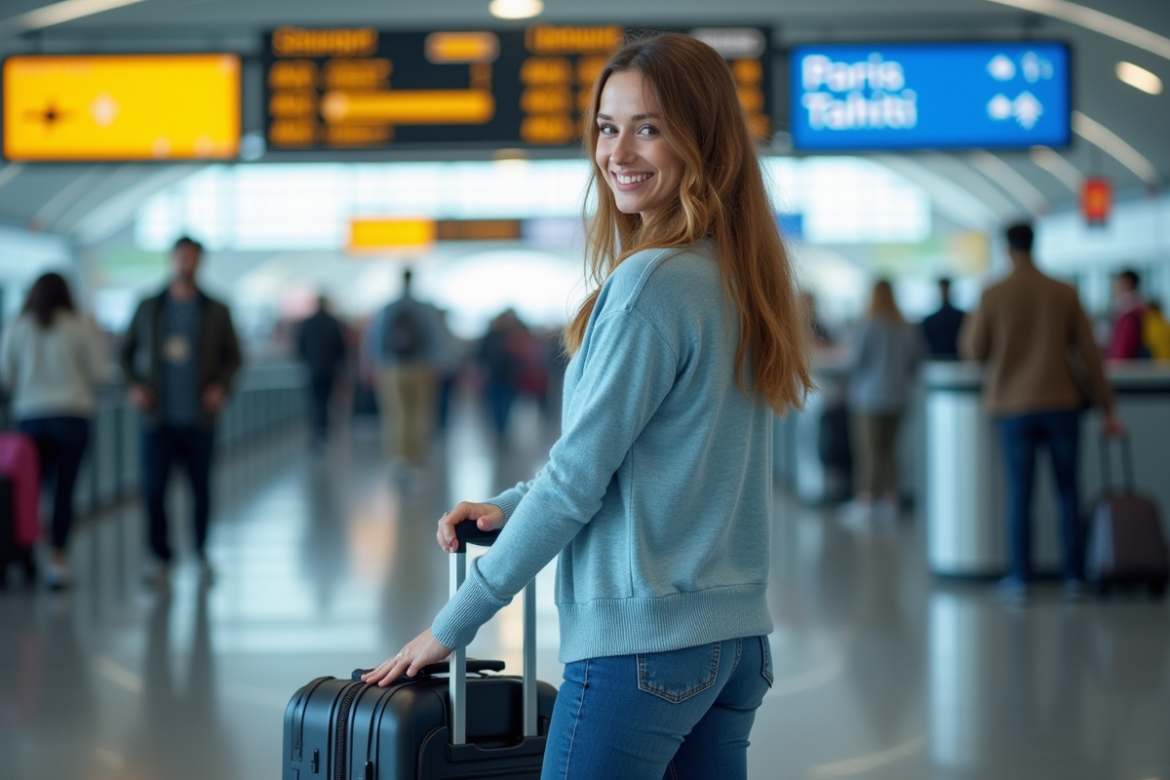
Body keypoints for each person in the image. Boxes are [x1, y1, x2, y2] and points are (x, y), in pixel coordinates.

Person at [362, 33, 814, 779]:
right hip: (733, 646)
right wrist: (511, 506)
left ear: (703, 141)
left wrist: (452, 626)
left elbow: (578, 480)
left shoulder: (650, 284)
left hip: (644, 651)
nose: (618, 153)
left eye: (650, 128)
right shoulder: (736, 277)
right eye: (608, 127)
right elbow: (641, 457)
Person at [960, 223, 1122, 603]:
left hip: (1012, 406)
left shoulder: (993, 292)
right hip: (1062, 402)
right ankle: (1074, 577)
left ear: (1006, 250)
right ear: (1035, 244)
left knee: (1020, 492)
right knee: (1068, 490)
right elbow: (1090, 354)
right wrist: (1108, 408)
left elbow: (973, 350)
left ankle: (1020, 578)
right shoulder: (1064, 291)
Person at [120, 236, 242, 586]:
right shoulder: (150, 307)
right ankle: (160, 558)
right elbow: (125, 353)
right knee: (154, 490)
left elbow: (234, 357)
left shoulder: (215, 310)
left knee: (201, 490)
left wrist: (221, 386)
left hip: (199, 419)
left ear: (199, 262)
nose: (185, 264)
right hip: (158, 419)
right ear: (172, 260)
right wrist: (134, 385)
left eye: (192, 258)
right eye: (181, 257)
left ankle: (201, 553)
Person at [0, 273, 106, 589]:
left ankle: (26, 554)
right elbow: (99, 372)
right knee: (64, 492)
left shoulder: (18, 326)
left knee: (28, 492)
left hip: (30, 418)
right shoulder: (79, 326)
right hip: (72, 414)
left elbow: (6, 376)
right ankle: (58, 560)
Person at [846, 280, 924, 518]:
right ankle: (890, 501)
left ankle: (866, 501)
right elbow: (916, 360)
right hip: (898, 396)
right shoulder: (906, 327)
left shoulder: (868, 325)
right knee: (890, 451)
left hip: (870, 398)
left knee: (868, 452)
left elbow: (856, 361)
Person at [361, 269, 443, 472]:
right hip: (420, 367)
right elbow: (435, 338)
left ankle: (398, 458)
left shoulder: (388, 308)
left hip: (392, 367)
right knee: (420, 414)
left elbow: (375, 338)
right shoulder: (424, 308)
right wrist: (436, 364)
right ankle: (417, 458)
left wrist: (374, 365)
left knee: (395, 414)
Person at [295, 294, 348, 451]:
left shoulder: (308, 323)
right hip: (329, 369)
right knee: (325, 401)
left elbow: (300, 346)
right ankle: (323, 433)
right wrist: (340, 367)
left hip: (312, 369)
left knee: (314, 401)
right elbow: (340, 348)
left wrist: (307, 361)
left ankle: (316, 433)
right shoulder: (332, 322)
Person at [1106, 269, 1147, 361]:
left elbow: (1122, 351)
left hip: (1125, 366)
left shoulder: (1128, 313)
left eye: (1118, 282)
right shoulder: (1139, 307)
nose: (1115, 286)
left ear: (1128, 283)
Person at [920, 277, 965, 359]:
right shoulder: (929, 321)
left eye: (945, 289)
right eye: (942, 289)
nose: (944, 292)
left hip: (958, 360)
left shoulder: (962, 317)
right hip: (935, 360)